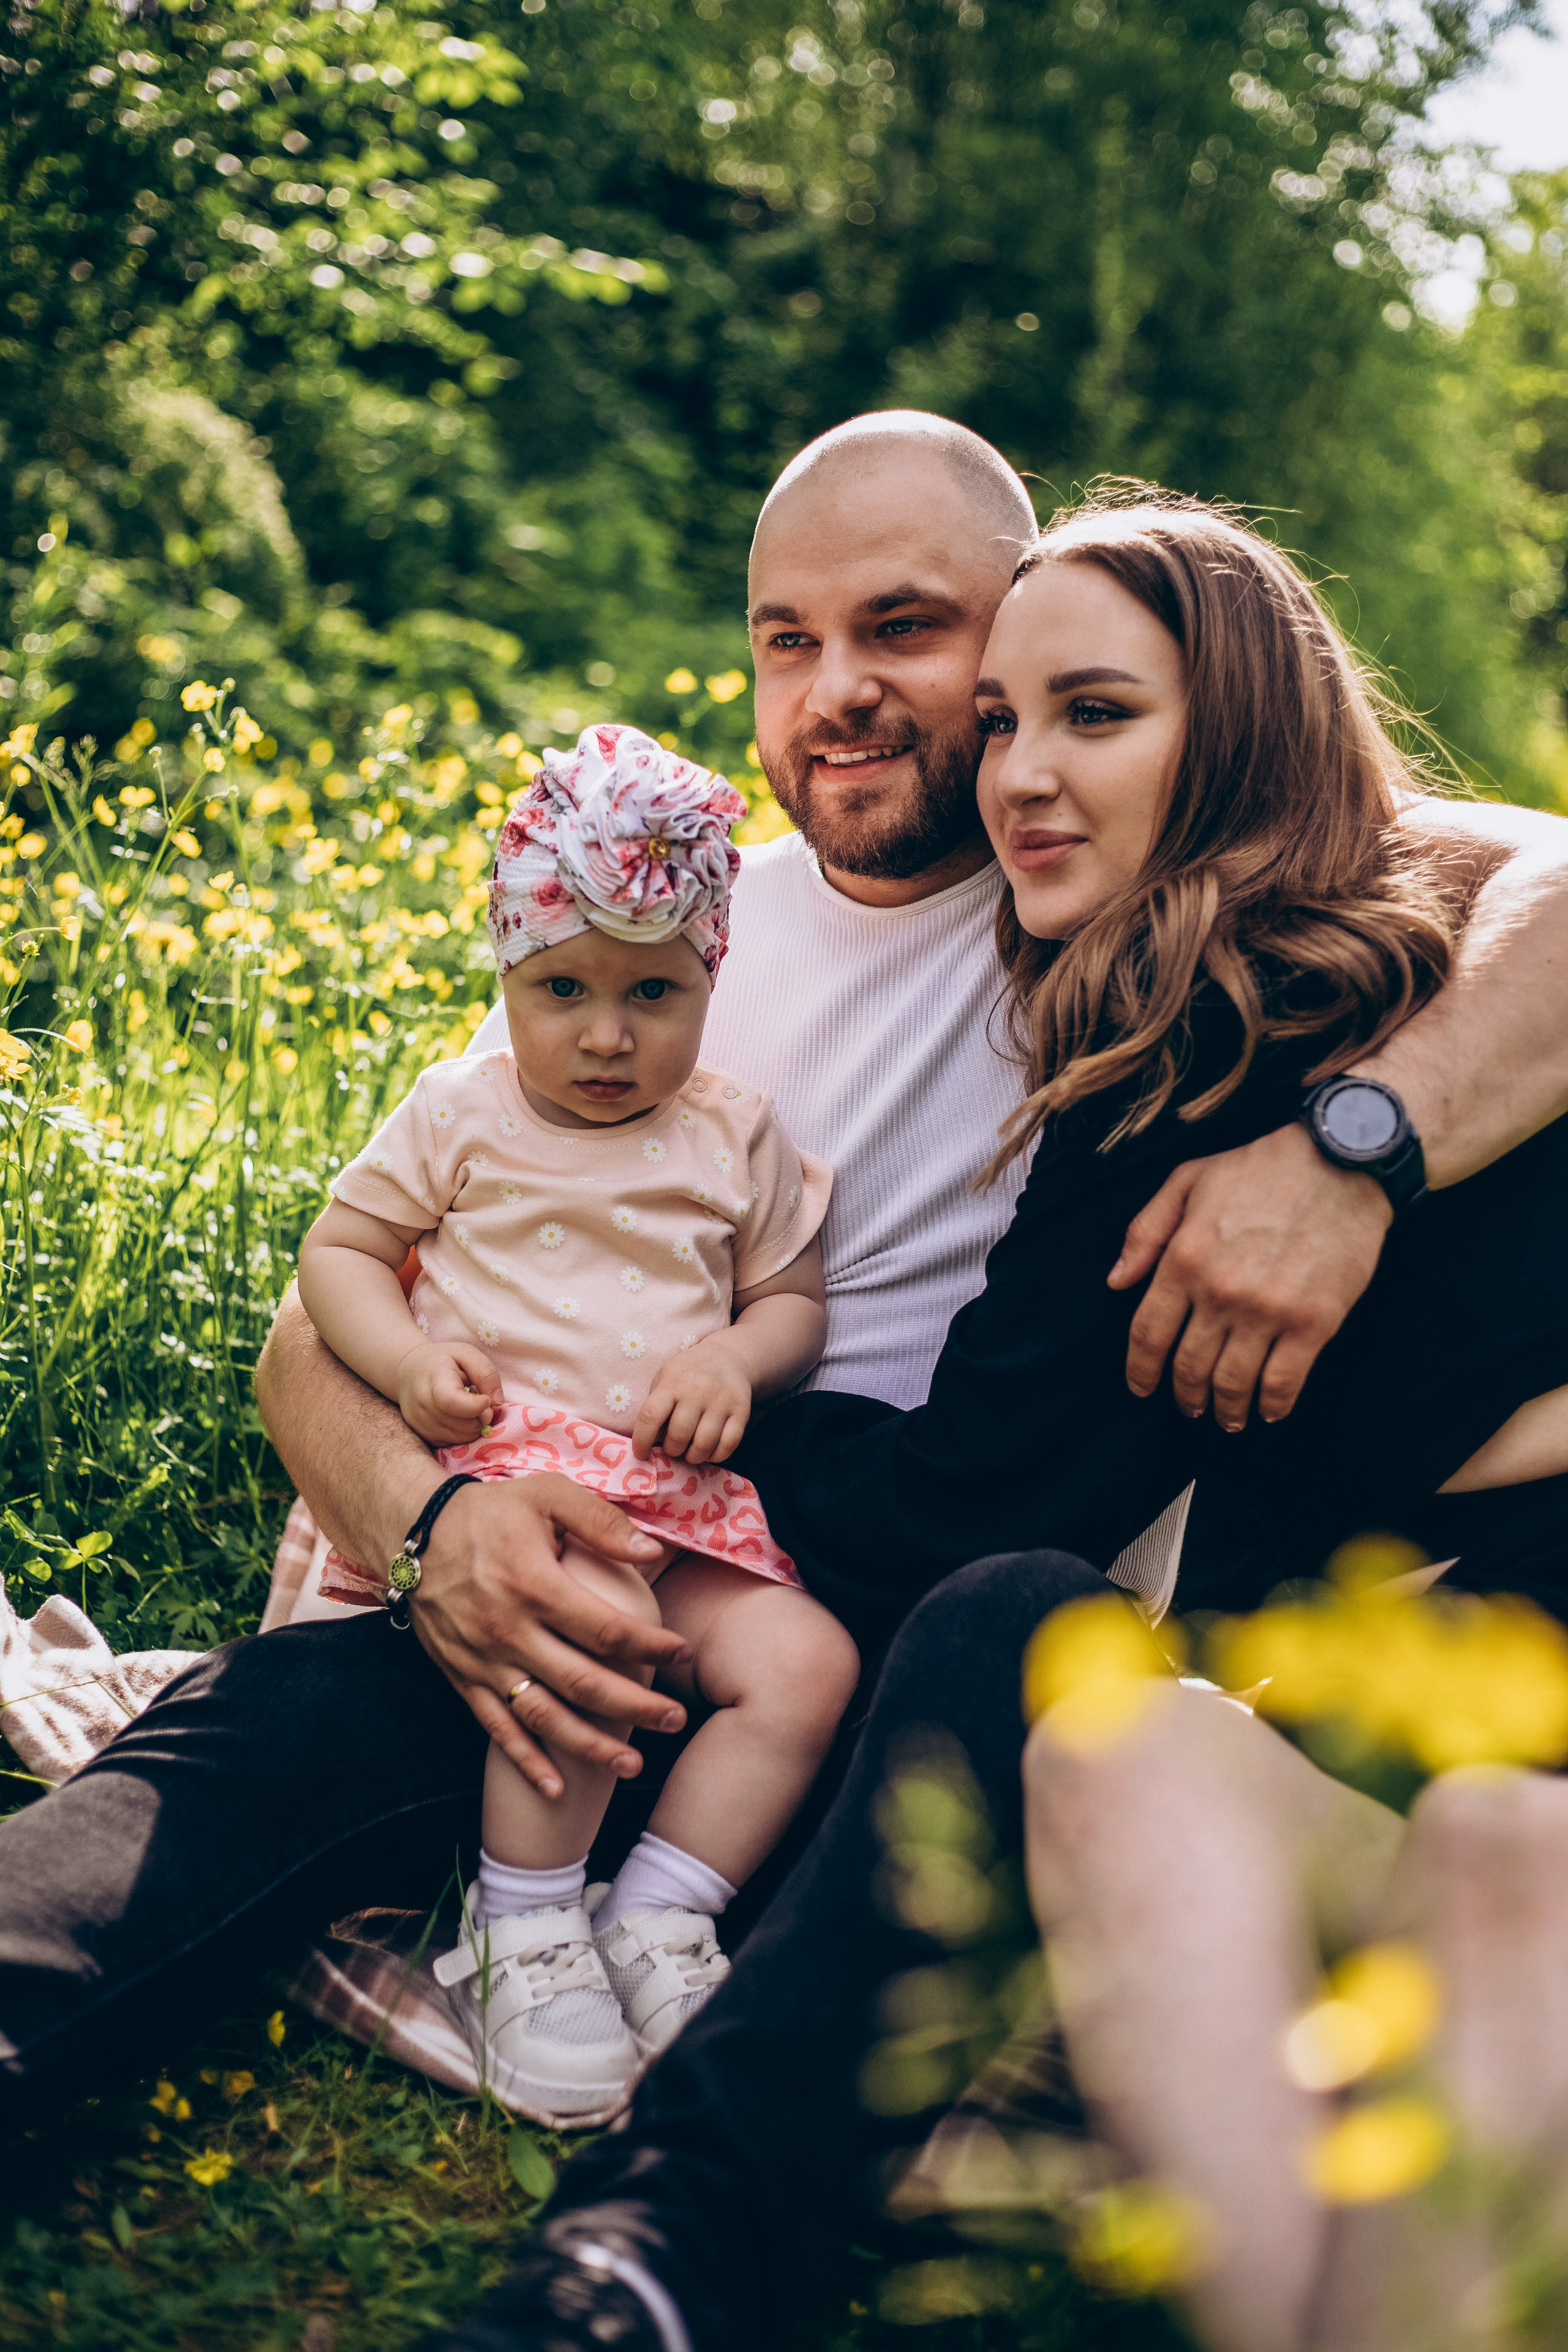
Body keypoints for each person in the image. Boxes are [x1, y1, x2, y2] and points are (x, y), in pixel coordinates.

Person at [2, 413, 1568, 2145]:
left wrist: (1360, 1144)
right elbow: (324, 1325)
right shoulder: (660, 956)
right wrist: (437, 1536)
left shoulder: (1149, 887)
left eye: (907, 629)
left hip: (909, 1622)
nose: (838, 693)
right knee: (276, 1740)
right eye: (787, 639)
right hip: (612, 1554)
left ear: (1036, 623)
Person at [428, 491, 1568, 2352]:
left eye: (1097, 716)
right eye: (1008, 724)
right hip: (1424, 1706)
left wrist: (647, 1432)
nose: (1020, 774)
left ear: (1246, 738)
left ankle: (659, 2249)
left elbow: (959, 1505)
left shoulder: (1242, 1030)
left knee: (1009, 1613)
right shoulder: (1316, 981)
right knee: (1155, 1741)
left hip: (1505, 1699)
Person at [295, 722, 853, 2125]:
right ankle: (521, 1922)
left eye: (652, 991)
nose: (606, 1034)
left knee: (803, 1660)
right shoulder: (461, 1115)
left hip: (677, 1495)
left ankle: (658, 1911)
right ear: (506, 973)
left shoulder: (734, 1134)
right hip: (508, 1480)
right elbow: (339, 1255)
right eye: (563, 990)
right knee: (587, 1604)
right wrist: (409, 1361)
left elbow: (790, 1296)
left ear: (709, 980)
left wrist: (741, 1358)